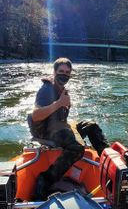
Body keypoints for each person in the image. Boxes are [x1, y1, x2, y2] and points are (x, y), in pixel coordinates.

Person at [28, 57, 109, 200]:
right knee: (77, 148)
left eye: (67, 72)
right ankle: (46, 179)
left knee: (92, 126)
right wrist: (59, 103)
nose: (64, 75)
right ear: (54, 72)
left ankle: (108, 162)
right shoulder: (46, 90)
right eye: (61, 71)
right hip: (47, 131)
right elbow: (35, 116)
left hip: (59, 126)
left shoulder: (62, 89)